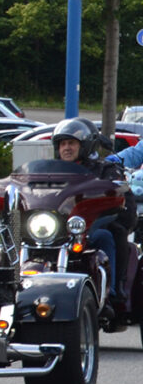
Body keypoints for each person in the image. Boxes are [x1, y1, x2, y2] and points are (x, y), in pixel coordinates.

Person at [53, 117, 136, 307]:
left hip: (90, 230)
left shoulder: (105, 170)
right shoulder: (52, 173)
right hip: (57, 229)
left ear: (85, 145)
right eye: (62, 143)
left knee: (106, 235)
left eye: (72, 143)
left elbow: (125, 204)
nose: (66, 148)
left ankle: (111, 293)